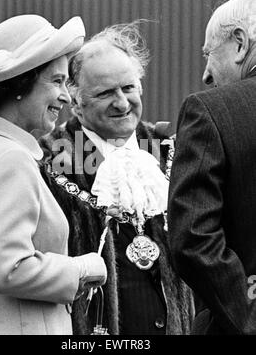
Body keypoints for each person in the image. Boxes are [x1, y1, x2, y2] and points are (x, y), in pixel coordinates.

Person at [0, 14, 107, 335]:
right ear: (21, 84)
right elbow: (8, 269)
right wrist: (81, 268)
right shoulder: (10, 158)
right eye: (56, 81)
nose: (67, 96)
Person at [39, 21, 194, 335]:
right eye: (105, 93)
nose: (122, 103)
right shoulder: (52, 157)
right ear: (75, 100)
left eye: (128, 88)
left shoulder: (168, 149)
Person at [168, 0, 256, 335]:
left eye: (208, 54)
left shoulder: (210, 112)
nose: (205, 74)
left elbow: (192, 238)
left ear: (239, 43)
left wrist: (248, 317)